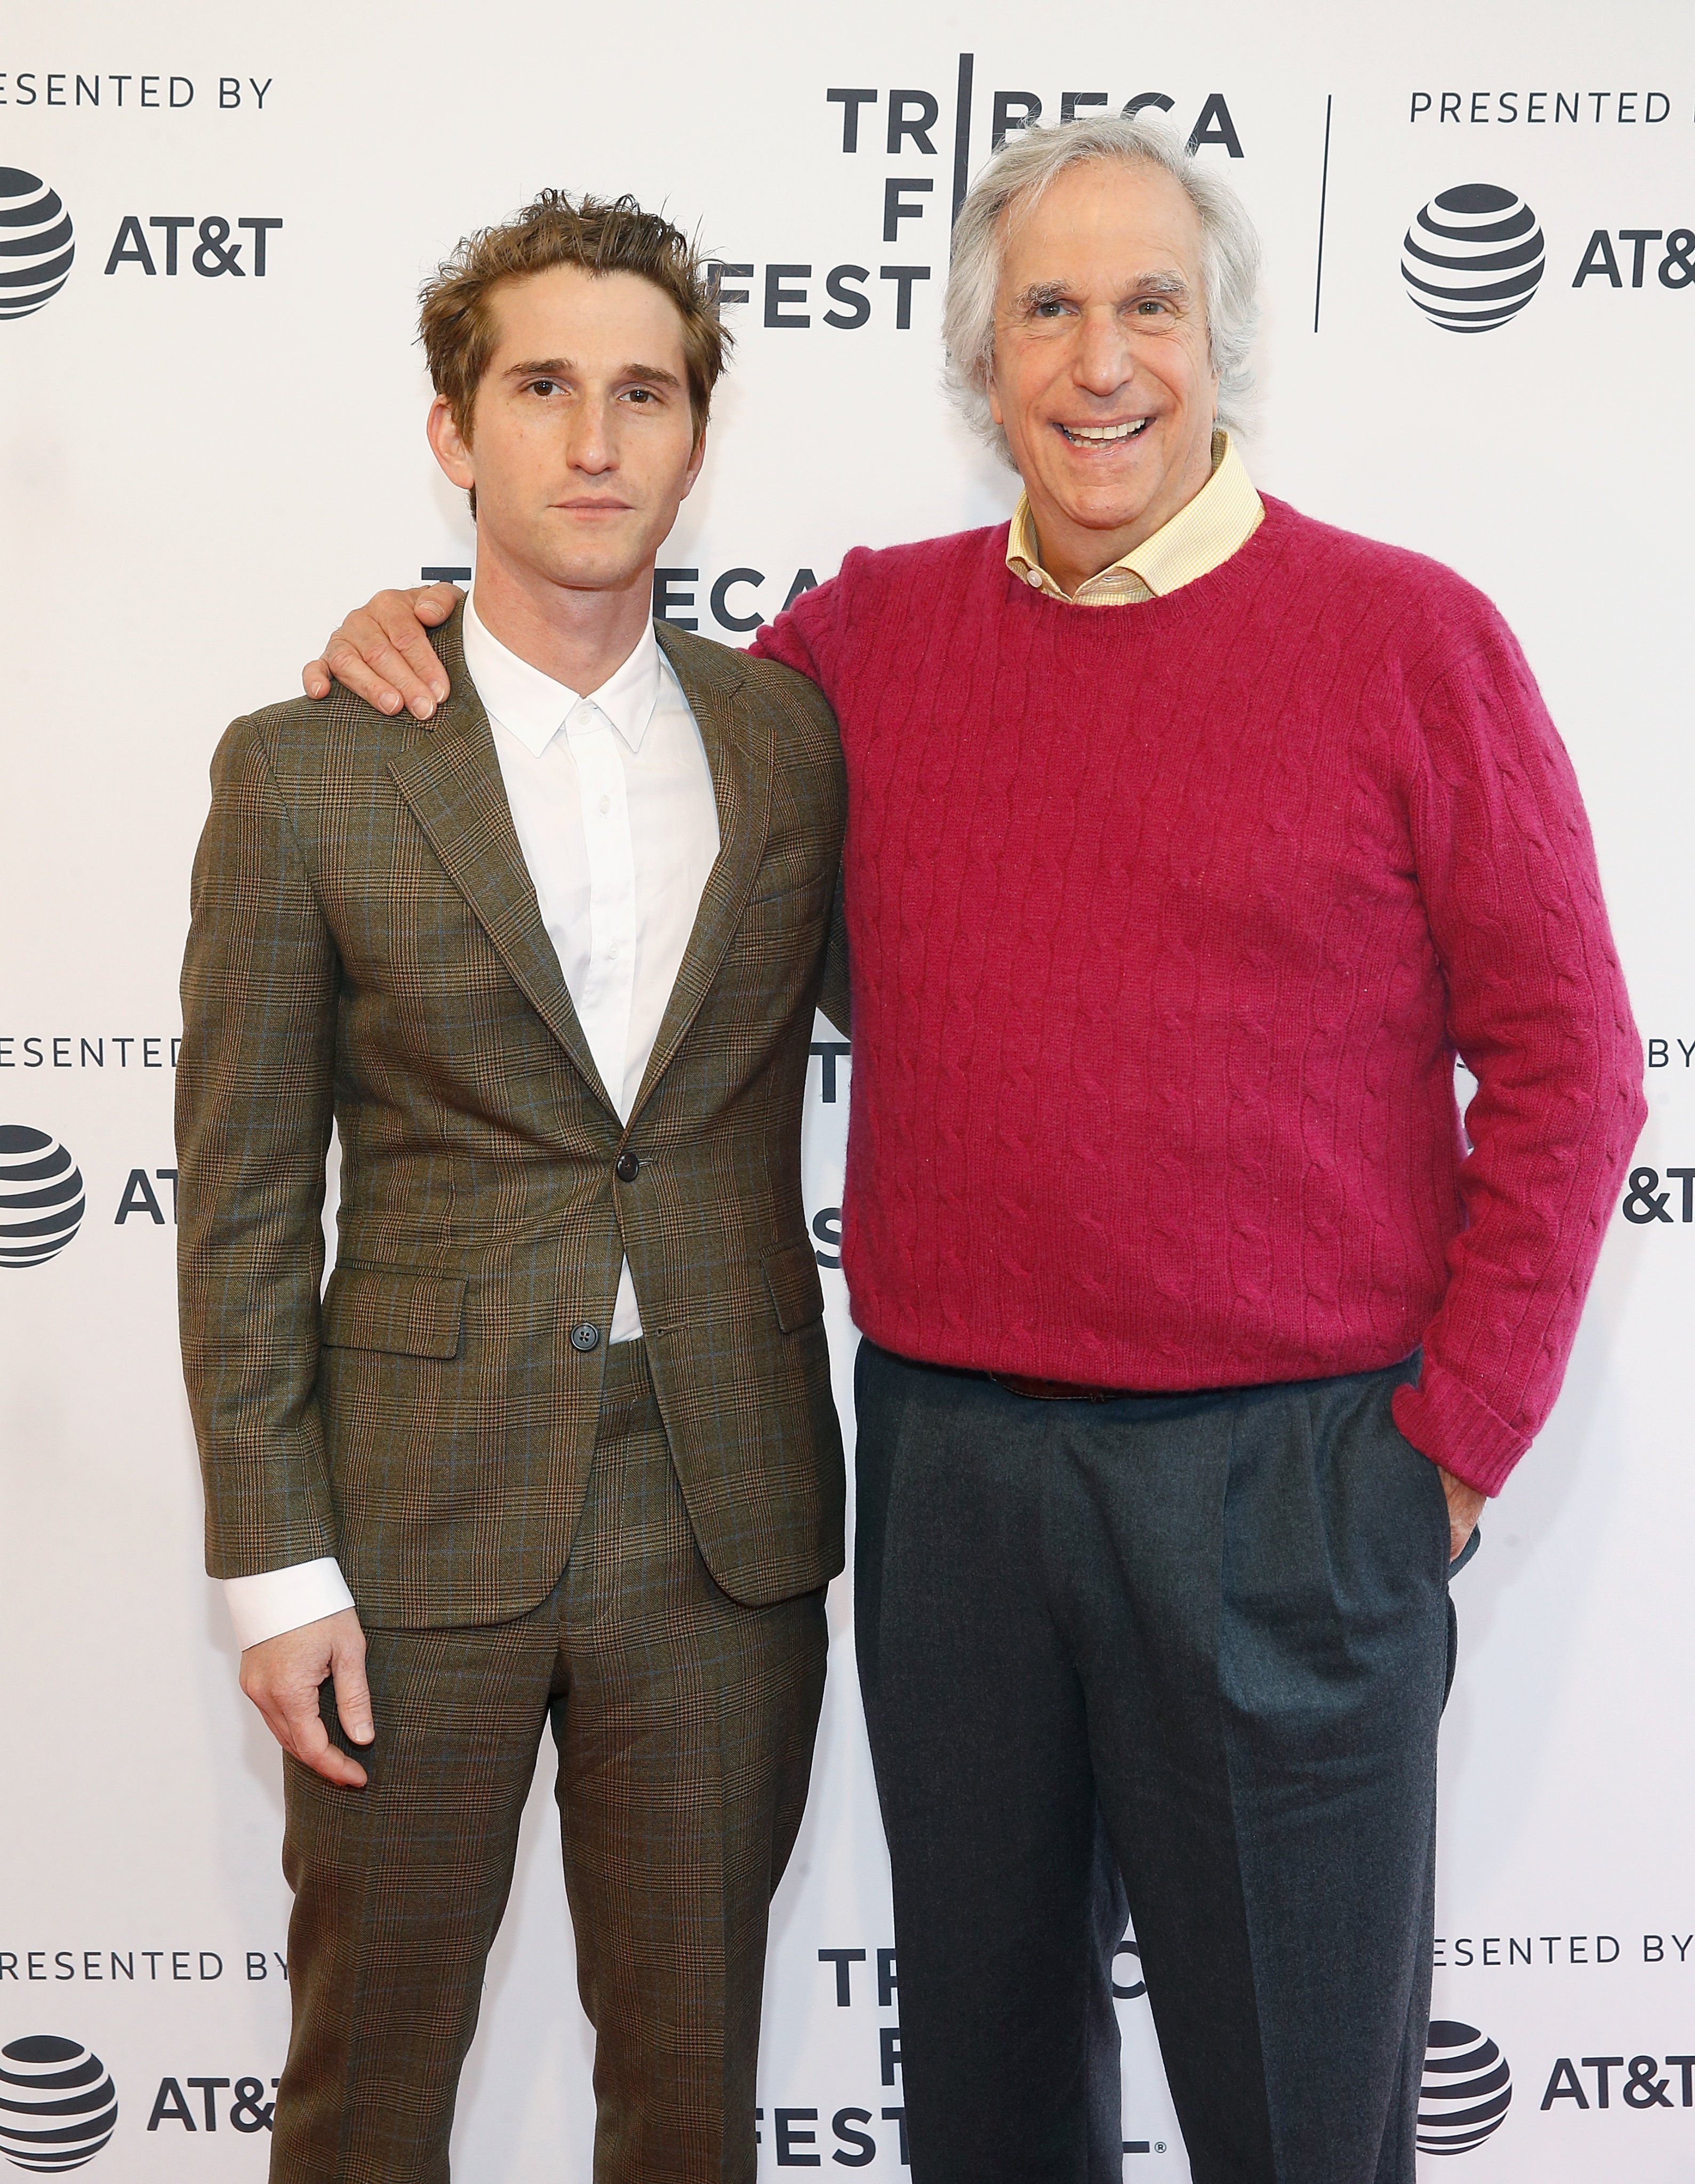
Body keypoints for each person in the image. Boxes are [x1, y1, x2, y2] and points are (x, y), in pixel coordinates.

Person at [304, 119, 1644, 2184]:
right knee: (992, 2103)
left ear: (1222, 346)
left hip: (1290, 1475)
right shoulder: (863, 652)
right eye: (1047, 309)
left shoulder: (1406, 639)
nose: (1100, 360)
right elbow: (627, 764)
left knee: (1298, 2110)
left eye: (1148, 305)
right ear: (981, 361)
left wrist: (1454, 1434)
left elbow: (1571, 1066)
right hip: (959, 1473)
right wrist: (416, 638)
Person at [177, 189, 849, 2184]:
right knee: (368, 2093)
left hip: (720, 1519)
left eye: (641, 393)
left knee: (691, 2100)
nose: (591, 440)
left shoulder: (790, 737)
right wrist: (277, 1567)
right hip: (407, 1527)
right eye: (540, 387)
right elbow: (232, 1197)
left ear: (695, 443)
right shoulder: (307, 767)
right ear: (452, 431)